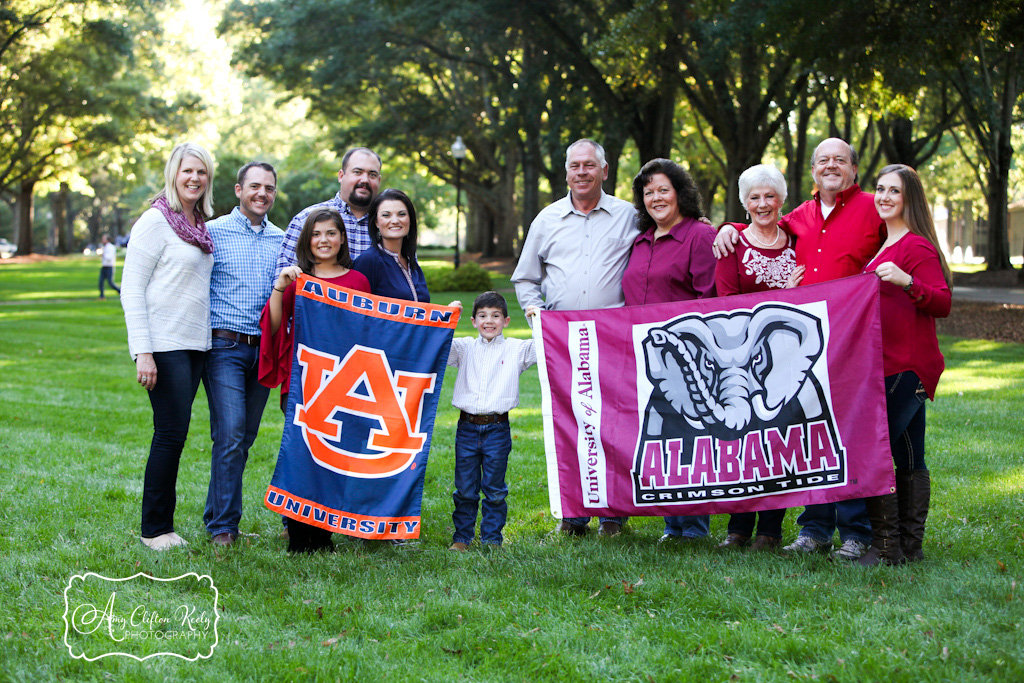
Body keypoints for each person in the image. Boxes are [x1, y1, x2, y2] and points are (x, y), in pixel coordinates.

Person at [714, 137, 882, 561]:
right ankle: (815, 528)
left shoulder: (871, 208)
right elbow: (754, 224)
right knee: (811, 432)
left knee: (848, 433)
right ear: (811, 172)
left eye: (839, 160)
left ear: (854, 169)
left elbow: (899, 240)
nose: (831, 166)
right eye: (823, 160)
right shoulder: (799, 218)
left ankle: (857, 531)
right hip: (801, 348)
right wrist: (727, 228)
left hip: (851, 340)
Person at [511, 138, 636, 537]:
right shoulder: (546, 220)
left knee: (614, 426)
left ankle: (613, 515)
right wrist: (537, 317)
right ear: (566, 172)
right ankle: (574, 513)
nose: (581, 172)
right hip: (565, 342)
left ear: (604, 170)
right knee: (570, 425)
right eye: (574, 166)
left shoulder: (628, 216)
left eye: (589, 165)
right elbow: (526, 278)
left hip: (615, 339)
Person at [121, 142, 215, 551]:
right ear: (173, 174)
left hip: (196, 345)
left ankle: (162, 525)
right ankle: (155, 530)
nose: (194, 178)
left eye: (202, 172)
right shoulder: (155, 221)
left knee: (176, 435)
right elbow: (131, 288)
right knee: (169, 435)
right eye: (187, 171)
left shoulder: (200, 226)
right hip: (165, 344)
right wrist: (143, 350)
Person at [260, 208, 372, 552]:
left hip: (343, 382)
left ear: (342, 239)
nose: (324, 240)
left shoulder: (358, 281)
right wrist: (280, 288)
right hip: (304, 378)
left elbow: (369, 331)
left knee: (332, 456)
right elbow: (275, 326)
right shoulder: (298, 281)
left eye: (331, 233)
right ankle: (297, 532)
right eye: (317, 234)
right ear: (307, 241)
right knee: (301, 454)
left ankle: (323, 533)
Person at [858, 164, 951, 566]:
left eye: (894, 191)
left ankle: (885, 547)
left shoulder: (915, 247)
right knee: (910, 458)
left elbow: (943, 302)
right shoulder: (880, 244)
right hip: (884, 364)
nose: (884, 197)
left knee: (874, 451)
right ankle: (909, 548)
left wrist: (907, 281)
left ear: (909, 198)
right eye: (880, 189)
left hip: (906, 365)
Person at [624, 158, 717, 545]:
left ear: (680, 193)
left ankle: (693, 527)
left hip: (685, 358)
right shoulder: (640, 240)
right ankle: (672, 524)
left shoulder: (700, 236)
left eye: (664, 189)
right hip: (643, 358)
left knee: (690, 439)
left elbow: (708, 299)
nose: (656, 198)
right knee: (660, 438)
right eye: (649, 192)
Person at [713, 164, 797, 552]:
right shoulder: (731, 244)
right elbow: (727, 304)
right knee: (744, 440)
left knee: (780, 439)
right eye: (754, 197)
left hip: (789, 357)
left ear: (781, 199)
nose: (762, 204)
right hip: (744, 359)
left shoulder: (797, 239)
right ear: (744, 203)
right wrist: (783, 295)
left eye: (769, 196)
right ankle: (738, 527)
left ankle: (771, 530)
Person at [201, 161, 284, 547]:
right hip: (224, 348)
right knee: (231, 433)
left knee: (243, 437)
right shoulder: (212, 233)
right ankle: (223, 528)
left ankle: (216, 514)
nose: (261, 194)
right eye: (254, 186)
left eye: (268, 188)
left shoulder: (282, 241)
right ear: (238, 190)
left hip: (264, 350)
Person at [446, 291, 537, 552]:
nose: (489, 321)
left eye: (496, 316)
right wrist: (450, 316)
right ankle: (462, 537)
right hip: (467, 427)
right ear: (473, 321)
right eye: (483, 316)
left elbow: (544, 344)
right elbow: (438, 342)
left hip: (497, 428)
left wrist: (534, 320)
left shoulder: (517, 349)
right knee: (465, 487)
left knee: (495, 488)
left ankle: (491, 539)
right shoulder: (464, 348)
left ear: (506, 321)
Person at [275, 147, 382, 276]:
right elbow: (282, 281)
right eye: (358, 172)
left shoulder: (388, 224)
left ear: (379, 180)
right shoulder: (305, 220)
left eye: (372, 175)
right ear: (341, 176)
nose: (365, 180)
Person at [352, 188, 430, 302]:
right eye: (386, 215)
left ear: (410, 219)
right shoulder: (368, 261)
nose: (395, 220)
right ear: (376, 222)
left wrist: (447, 311)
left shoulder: (411, 260)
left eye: (401, 214)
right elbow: (355, 311)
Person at [98, 234, 120, 299]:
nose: (102, 240)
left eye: (104, 239)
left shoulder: (111, 247)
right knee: (101, 282)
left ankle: (120, 291)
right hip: (104, 266)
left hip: (109, 267)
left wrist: (103, 255)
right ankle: (102, 296)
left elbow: (109, 257)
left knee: (110, 283)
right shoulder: (104, 247)